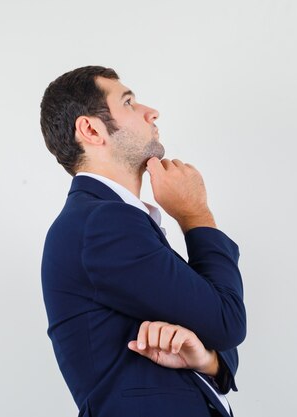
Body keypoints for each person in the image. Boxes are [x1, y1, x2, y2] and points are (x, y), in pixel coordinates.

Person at [39, 65, 246, 417]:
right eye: (129, 102)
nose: (151, 112)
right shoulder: (103, 223)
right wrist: (196, 215)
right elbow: (227, 321)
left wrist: (207, 359)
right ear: (91, 128)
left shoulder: (110, 220)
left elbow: (217, 331)